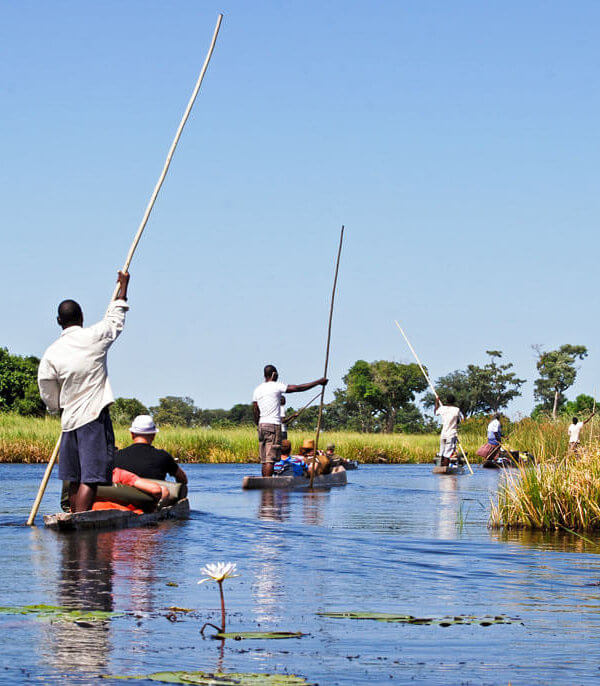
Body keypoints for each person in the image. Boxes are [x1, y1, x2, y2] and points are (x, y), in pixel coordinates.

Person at [38, 271, 130, 513]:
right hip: (92, 418)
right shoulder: (93, 337)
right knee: (91, 477)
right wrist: (123, 288)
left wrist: (56, 407)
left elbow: (46, 387)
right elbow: (115, 321)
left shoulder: (51, 353)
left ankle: (72, 518)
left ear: (59, 321)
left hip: (69, 421)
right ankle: (79, 520)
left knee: (74, 477)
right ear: (82, 317)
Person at [252, 365, 327, 476]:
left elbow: (255, 409)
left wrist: (258, 423)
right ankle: (268, 489)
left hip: (262, 425)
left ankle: (265, 486)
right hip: (273, 425)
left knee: (265, 460)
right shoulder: (276, 386)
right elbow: (297, 388)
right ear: (274, 374)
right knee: (270, 459)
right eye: (277, 374)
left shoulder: (258, 389)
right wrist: (318, 382)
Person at [114, 414, 188, 486]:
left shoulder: (116, 456)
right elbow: (182, 478)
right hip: (155, 497)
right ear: (153, 435)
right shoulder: (163, 456)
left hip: (124, 497)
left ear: (132, 434)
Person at [434, 394, 464, 465]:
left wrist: (436, 402)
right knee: (447, 454)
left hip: (443, 434)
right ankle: (445, 470)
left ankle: (440, 467)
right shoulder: (456, 410)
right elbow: (458, 421)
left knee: (441, 452)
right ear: (454, 401)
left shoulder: (442, 408)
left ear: (446, 401)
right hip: (451, 434)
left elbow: (435, 412)